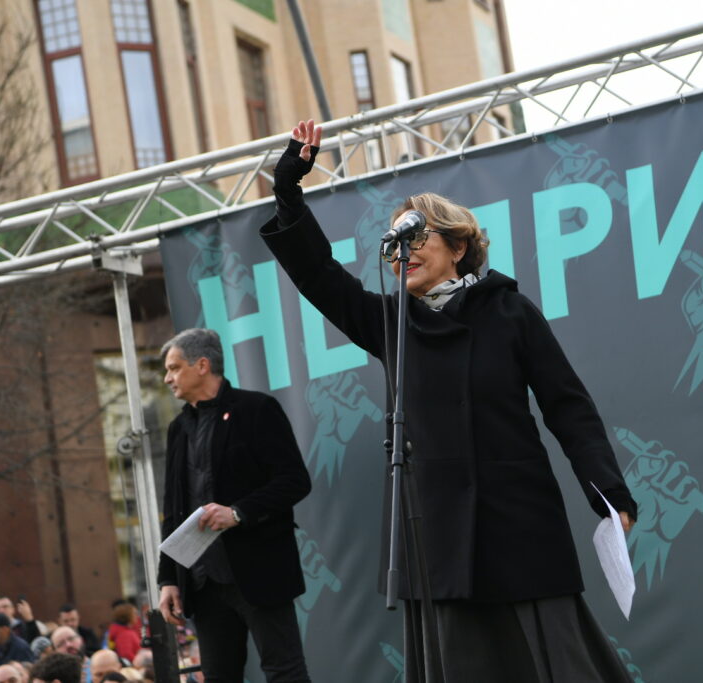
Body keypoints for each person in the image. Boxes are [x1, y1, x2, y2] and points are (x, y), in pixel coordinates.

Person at [261, 120, 640, 682]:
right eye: (394, 245)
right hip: (433, 527)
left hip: (517, 519)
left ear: (457, 246)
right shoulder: (390, 320)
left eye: (417, 239)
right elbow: (318, 274)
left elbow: (567, 406)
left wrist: (608, 492)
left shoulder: (509, 312)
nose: (403, 253)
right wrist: (288, 191)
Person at [156, 328, 313, 683]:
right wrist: (168, 578)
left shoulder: (256, 410)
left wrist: (238, 513)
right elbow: (173, 509)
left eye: (174, 367)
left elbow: (294, 481)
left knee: (285, 672)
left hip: (258, 570)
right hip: (203, 581)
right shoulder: (177, 429)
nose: (167, 378)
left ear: (202, 365)